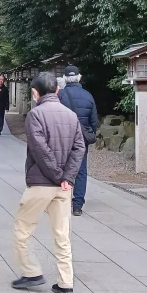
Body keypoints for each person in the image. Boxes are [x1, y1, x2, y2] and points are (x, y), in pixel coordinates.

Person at [11, 72, 85, 293]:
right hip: (64, 187)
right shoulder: (71, 116)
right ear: (57, 90)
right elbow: (79, 148)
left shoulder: (35, 115)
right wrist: (67, 177)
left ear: (35, 92)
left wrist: (56, 175)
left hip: (41, 183)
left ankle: (32, 272)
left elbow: (40, 150)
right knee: (62, 235)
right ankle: (66, 282)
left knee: (22, 230)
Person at [58, 65, 99, 217]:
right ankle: (77, 205)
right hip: (81, 139)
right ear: (79, 77)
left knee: (62, 168)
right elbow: (94, 121)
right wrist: (90, 134)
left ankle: (61, 200)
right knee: (81, 170)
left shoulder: (60, 96)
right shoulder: (88, 96)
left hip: (63, 138)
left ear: (64, 79)